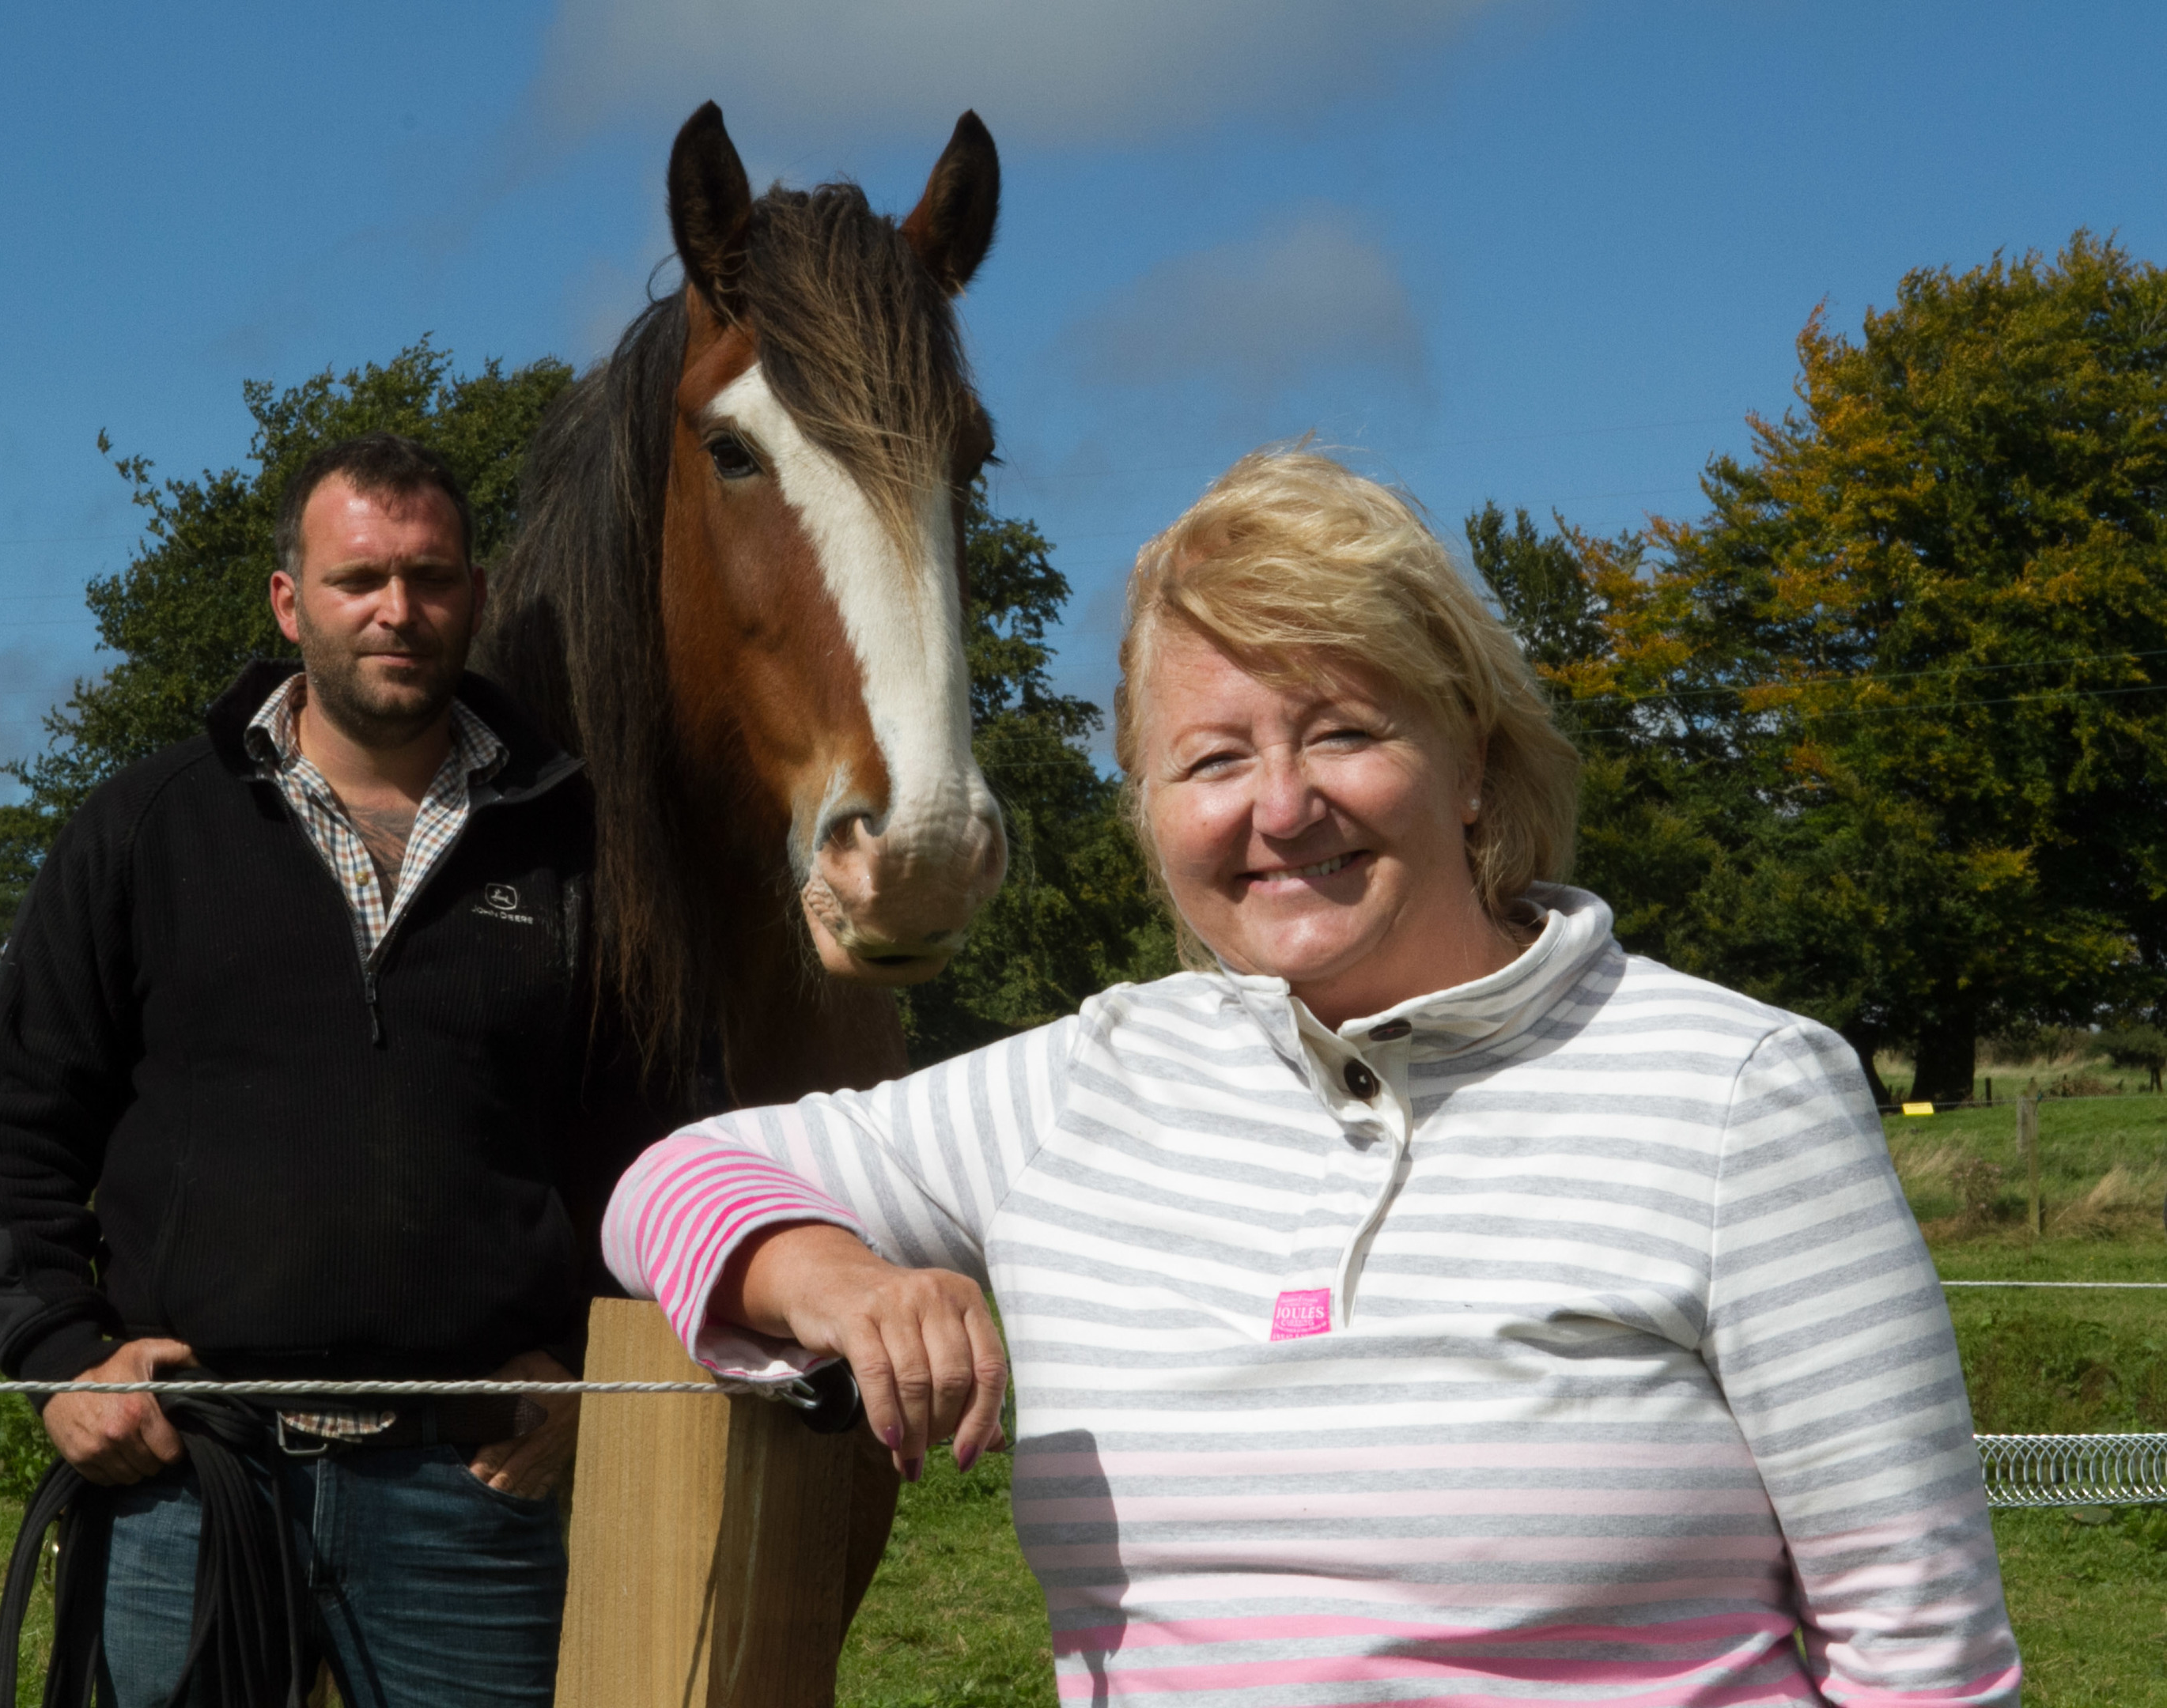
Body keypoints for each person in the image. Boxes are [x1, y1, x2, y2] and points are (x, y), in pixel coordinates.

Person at [600, 449, 2021, 1706]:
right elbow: (664, 1187)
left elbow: (1924, 1655)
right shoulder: (1089, 1080)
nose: (1282, 809)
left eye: (1343, 730)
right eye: (1211, 760)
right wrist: (839, 1282)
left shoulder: (1740, 1091)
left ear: (1469, 753)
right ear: (1151, 814)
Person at [0, 432, 628, 1707]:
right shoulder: (147, 828)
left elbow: (655, 1137)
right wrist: (55, 1354)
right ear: (288, 600)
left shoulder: (580, 849)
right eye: (358, 577)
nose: (397, 610)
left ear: (475, 596)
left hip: (469, 1496)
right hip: (190, 1486)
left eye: (430, 578)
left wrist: (598, 1349)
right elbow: (14, 1119)